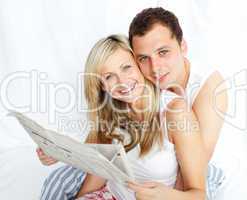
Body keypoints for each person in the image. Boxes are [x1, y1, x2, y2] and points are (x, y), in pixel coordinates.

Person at [39, 34, 225, 200]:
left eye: (126, 67)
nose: (122, 82)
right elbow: (101, 169)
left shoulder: (175, 112)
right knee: (58, 181)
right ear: (102, 86)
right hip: (112, 194)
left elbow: (198, 194)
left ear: (139, 65)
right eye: (109, 76)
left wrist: (167, 196)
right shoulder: (111, 112)